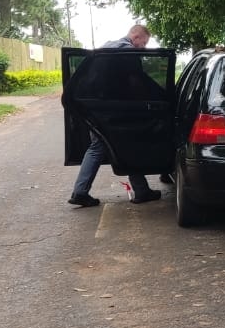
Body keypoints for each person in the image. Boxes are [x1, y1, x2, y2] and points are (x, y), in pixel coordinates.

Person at [67, 24, 162, 208]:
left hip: (95, 108)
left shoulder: (106, 47)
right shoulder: (128, 53)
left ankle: (140, 190)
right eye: (143, 43)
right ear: (135, 36)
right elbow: (137, 82)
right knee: (127, 144)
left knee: (102, 147)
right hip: (117, 111)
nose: (143, 48)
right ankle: (82, 192)